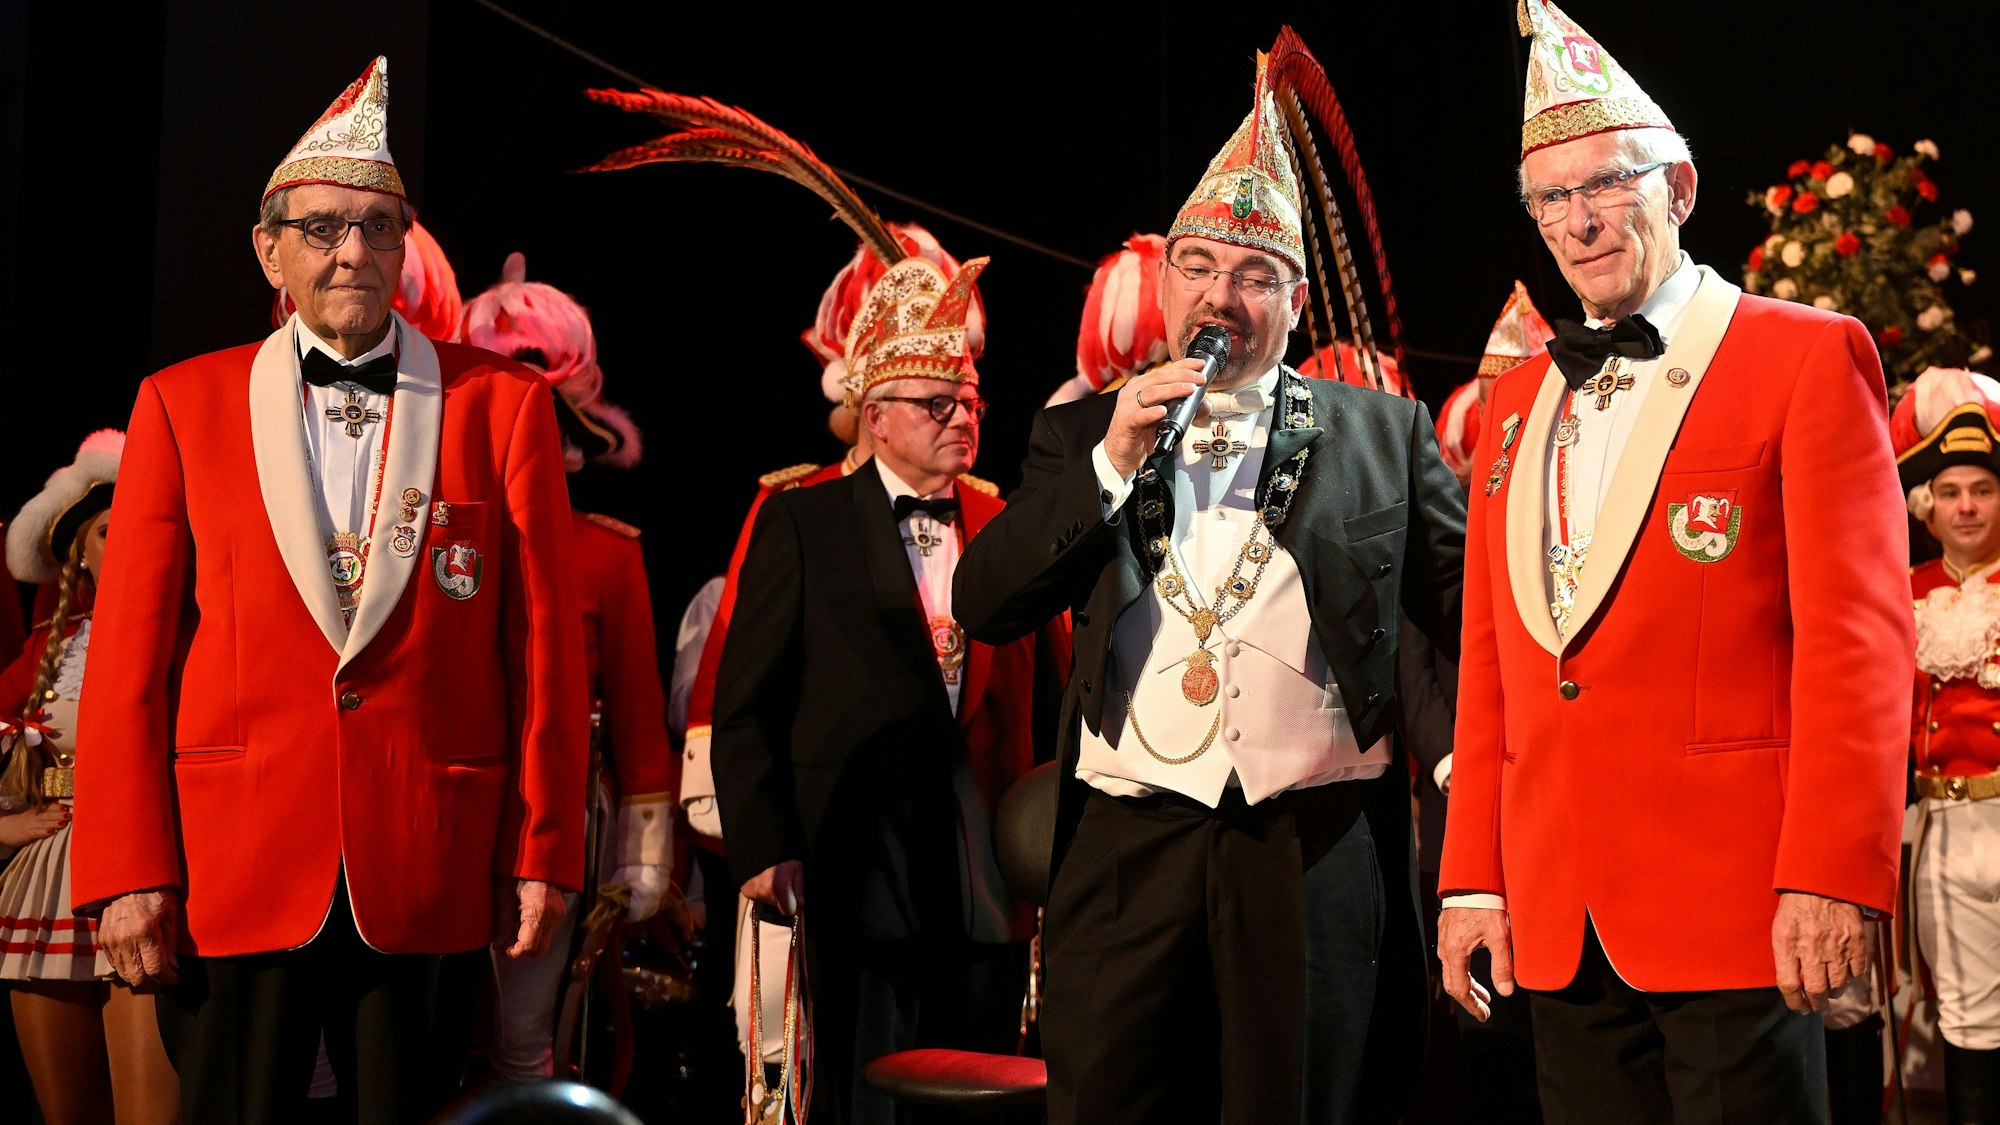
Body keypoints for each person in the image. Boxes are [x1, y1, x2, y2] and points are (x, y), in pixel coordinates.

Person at [953, 40, 1465, 1125]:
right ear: (1165, 277)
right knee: (1109, 1100)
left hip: (1308, 845)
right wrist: (1106, 469)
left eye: (1250, 275)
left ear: (1291, 297)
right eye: (1196, 266)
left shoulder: (1381, 433)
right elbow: (983, 602)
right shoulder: (1077, 431)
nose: (1217, 295)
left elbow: (1466, 618)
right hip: (1126, 840)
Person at [67, 57, 587, 1124]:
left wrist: (542, 853)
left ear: (405, 243)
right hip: (235, 861)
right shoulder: (180, 405)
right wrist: (126, 867)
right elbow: (128, 665)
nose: (353, 249)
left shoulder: (502, 408)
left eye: (378, 226)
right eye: (323, 227)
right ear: (269, 248)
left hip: (430, 859)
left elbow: (540, 654)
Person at [1436, 4, 1913, 1122]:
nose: (1578, 221)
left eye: (1604, 185)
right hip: (1559, 918)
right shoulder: (1511, 402)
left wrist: (1833, 871)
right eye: (1550, 199)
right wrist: (1471, 876)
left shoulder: (1802, 355)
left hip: (1739, 905)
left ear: (1678, 189)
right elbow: (1492, 664)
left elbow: (1858, 643)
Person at [460, 252, 676, 1083]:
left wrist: (643, 859)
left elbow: (633, 707)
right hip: (446, 803)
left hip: (557, 818)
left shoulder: (606, 555)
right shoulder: (435, 543)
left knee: (528, 1037)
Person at [0, 431, 178, 1125]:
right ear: (79, 551)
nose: (128, 539)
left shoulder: (188, 630)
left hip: (141, 868)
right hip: (49, 886)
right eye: (109, 529)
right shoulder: (52, 646)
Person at [1893, 367, 2000, 1124]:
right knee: (1969, 1024)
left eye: (1984, 489)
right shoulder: (1901, 592)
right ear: (1927, 508)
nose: (1967, 505)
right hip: (1941, 834)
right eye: (1952, 491)